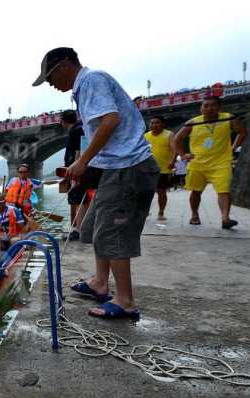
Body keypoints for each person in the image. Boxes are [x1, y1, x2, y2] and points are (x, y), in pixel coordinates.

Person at [33, 46, 159, 320]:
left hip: (129, 169)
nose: (51, 85)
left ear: (65, 65)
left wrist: (82, 161)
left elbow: (110, 121)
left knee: (113, 233)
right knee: (94, 227)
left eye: (50, 77)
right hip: (116, 168)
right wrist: (85, 170)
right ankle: (100, 283)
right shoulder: (84, 88)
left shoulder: (91, 80)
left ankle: (125, 301)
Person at [171, 96, 247, 229]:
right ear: (201, 108)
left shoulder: (228, 118)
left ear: (219, 107)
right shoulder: (193, 122)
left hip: (221, 162)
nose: (209, 108)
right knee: (196, 191)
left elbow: (242, 132)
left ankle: (225, 218)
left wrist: (233, 147)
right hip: (197, 163)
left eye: (213, 105)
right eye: (206, 106)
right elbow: (176, 139)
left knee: (224, 191)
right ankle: (194, 215)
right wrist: (183, 155)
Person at [60, 109, 89, 240]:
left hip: (77, 171)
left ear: (62, 121)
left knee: (78, 201)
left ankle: (78, 231)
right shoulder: (81, 128)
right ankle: (80, 229)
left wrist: (75, 172)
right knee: (81, 200)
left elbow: (79, 151)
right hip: (82, 169)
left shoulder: (74, 131)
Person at [143, 116, 175, 221]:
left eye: (157, 123)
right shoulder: (145, 136)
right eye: (152, 123)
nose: (153, 125)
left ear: (162, 124)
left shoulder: (169, 134)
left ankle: (161, 212)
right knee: (145, 191)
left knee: (161, 191)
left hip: (163, 169)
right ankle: (145, 211)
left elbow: (174, 148)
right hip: (147, 169)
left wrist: (173, 161)